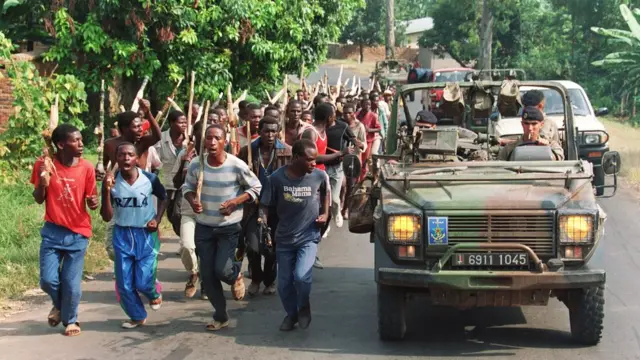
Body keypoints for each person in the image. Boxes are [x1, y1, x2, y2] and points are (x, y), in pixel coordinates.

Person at [183, 124, 262, 331]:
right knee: (208, 277)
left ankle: (236, 274)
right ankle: (221, 315)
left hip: (228, 227)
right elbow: (187, 188)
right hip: (204, 227)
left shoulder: (236, 165)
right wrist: (193, 200)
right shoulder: (196, 165)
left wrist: (236, 202)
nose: (212, 142)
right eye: (208, 138)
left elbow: (256, 187)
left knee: (223, 270)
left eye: (217, 138)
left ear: (225, 141)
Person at [31, 124, 98, 337]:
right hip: (52, 231)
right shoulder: (44, 164)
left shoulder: (87, 168)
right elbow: (39, 198)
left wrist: (94, 201)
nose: (81, 144)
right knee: (48, 280)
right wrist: (43, 183)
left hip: (78, 233)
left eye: (80, 140)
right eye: (75, 141)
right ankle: (60, 305)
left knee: (71, 283)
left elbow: (91, 198)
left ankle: (71, 319)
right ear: (61, 144)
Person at [260, 139, 330, 331]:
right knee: (284, 285)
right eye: (309, 160)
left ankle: (304, 305)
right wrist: (264, 224)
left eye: (315, 159)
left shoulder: (319, 176)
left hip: (308, 236)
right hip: (284, 238)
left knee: (301, 276)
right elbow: (265, 204)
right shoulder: (276, 178)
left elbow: (326, 196)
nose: (314, 163)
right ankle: (291, 315)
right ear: (296, 157)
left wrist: (324, 214)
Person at [100, 142, 168, 329]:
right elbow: (106, 216)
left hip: (146, 234)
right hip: (122, 234)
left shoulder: (149, 179)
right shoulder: (111, 183)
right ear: (116, 159)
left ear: (137, 159)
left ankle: (153, 293)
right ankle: (137, 316)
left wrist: (157, 218)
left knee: (144, 282)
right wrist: (106, 192)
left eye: (130, 155)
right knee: (124, 283)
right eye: (121, 155)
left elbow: (164, 197)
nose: (126, 158)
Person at [99, 100, 162, 261]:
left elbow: (157, 135)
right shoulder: (110, 144)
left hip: (141, 196)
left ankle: (145, 271)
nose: (140, 129)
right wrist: (101, 173)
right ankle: (125, 268)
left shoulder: (143, 143)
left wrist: (148, 112)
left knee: (146, 238)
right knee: (113, 247)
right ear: (124, 129)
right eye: (136, 127)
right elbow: (104, 165)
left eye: (141, 126)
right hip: (119, 195)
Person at [238, 116, 292, 296]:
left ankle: (270, 280)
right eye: (266, 131)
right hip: (253, 206)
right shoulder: (248, 151)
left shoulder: (286, 152)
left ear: (278, 132)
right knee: (253, 246)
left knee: (272, 247)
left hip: (277, 207)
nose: (270, 135)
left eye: (273, 131)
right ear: (259, 131)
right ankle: (255, 278)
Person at [172, 120, 207, 299]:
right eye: (201, 137)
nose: (207, 142)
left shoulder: (222, 157)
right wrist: (184, 163)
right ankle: (193, 273)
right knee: (187, 246)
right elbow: (176, 183)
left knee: (207, 252)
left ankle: (207, 285)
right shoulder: (186, 155)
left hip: (211, 213)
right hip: (188, 209)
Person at [324, 103, 361, 228]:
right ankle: (326, 222)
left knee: (334, 199)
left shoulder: (343, 126)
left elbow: (353, 139)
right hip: (322, 166)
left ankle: (337, 210)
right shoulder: (319, 127)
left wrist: (357, 144)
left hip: (337, 167)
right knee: (322, 198)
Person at [154, 110, 188, 236]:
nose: (184, 125)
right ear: (172, 123)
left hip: (185, 183)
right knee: (170, 215)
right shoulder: (161, 138)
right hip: (168, 183)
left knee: (178, 213)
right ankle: (184, 237)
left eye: (185, 122)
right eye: (181, 122)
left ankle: (187, 240)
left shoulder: (189, 140)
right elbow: (156, 161)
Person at [497, 106, 565, 161]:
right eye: (526, 123)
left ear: (541, 125)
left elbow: (559, 160)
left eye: (534, 124)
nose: (530, 128)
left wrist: (547, 149)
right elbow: (500, 169)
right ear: (522, 124)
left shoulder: (552, 145)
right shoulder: (510, 149)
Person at [340, 102, 367, 219]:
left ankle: (346, 208)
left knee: (351, 186)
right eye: (344, 113)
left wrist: (360, 145)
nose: (346, 115)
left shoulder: (359, 126)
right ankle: (339, 205)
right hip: (340, 158)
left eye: (349, 113)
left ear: (353, 113)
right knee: (342, 185)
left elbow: (363, 143)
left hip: (353, 159)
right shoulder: (339, 124)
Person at [356, 97, 381, 182]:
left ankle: (361, 181)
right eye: (365, 104)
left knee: (364, 162)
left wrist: (369, 130)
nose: (367, 106)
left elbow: (379, 128)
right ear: (361, 105)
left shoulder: (373, 116)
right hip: (357, 142)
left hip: (368, 142)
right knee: (357, 161)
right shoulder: (357, 115)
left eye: (369, 105)